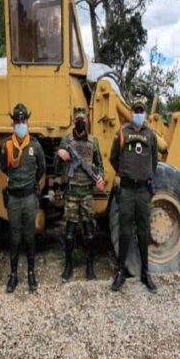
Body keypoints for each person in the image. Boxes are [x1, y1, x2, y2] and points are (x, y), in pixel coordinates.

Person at [109, 99, 158, 293]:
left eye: (141, 111)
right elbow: (113, 158)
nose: (138, 114)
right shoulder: (122, 133)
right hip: (128, 190)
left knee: (143, 231)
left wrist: (144, 175)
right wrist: (125, 174)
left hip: (143, 191)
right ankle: (120, 272)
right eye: (136, 110)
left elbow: (154, 162)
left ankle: (145, 273)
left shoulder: (151, 135)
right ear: (131, 112)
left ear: (144, 113)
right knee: (125, 231)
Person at [56, 109, 105, 282]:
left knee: (89, 231)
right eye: (77, 119)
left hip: (87, 194)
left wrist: (100, 179)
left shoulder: (93, 142)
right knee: (69, 232)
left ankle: (90, 267)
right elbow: (56, 168)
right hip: (71, 193)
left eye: (83, 119)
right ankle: (68, 266)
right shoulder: (66, 141)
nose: (80, 122)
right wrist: (60, 155)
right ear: (73, 120)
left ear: (87, 121)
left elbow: (99, 165)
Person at [1, 103, 45, 293]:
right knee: (14, 237)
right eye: (17, 121)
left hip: (29, 198)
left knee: (30, 236)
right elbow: (3, 166)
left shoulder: (35, 145)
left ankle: (31, 274)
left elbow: (41, 168)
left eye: (23, 121)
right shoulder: (7, 146)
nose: (21, 124)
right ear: (13, 124)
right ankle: (13, 275)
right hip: (14, 199)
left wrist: (31, 183)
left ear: (27, 122)